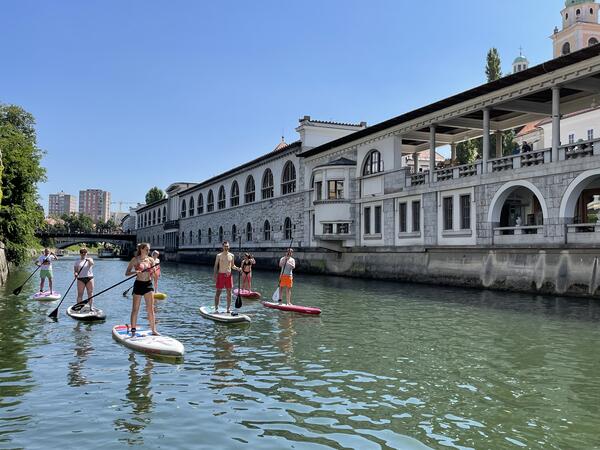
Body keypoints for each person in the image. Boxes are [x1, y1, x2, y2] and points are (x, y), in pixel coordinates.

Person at [125, 243, 159, 336]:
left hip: (148, 284)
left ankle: (153, 330)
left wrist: (154, 270)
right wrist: (135, 272)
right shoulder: (135, 260)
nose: (148, 251)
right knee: (135, 309)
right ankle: (133, 331)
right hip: (138, 284)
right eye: (147, 249)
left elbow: (155, 275)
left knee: (150, 309)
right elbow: (126, 273)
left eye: (149, 249)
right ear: (142, 249)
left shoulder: (151, 260)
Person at [213, 241, 241, 314]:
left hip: (229, 276)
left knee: (229, 293)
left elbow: (232, 266)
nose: (226, 247)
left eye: (227, 246)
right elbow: (216, 266)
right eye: (225, 246)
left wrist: (238, 268)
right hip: (220, 275)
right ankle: (216, 308)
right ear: (222, 247)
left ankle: (228, 308)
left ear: (229, 247)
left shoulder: (231, 255)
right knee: (218, 293)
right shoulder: (219, 255)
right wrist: (215, 275)